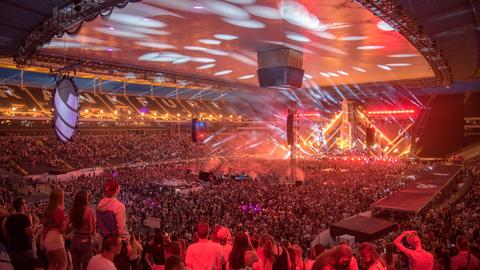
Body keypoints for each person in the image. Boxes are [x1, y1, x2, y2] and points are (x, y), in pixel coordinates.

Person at [96, 180, 130, 270]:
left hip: (104, 242)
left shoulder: (99, 205)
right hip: (116, 243)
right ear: (116, 190)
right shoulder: (119, 206)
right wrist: (127, 244)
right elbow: (121, 229)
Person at [5, 197, 37, 270]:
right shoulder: (24, 218)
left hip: (13, 250)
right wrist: (35, 223)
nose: (26, 204)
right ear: (22, 206)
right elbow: (30, 233)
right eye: (25, 203)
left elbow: (6, 233)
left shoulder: (9, 218)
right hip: (24, 250)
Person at [41, 187, 68, 270]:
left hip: (46, 238)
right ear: (60, 198)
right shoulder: (59, 210)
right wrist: (66, 221)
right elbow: (62, 230)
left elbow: (44, 226)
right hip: (55, 238)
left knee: (52, 264)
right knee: (63, 263)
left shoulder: (47, 210)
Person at [69, 191, 96, 270]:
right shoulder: (89, 211)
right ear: (85, 200)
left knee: (75, 267)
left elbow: (66, 226)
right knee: (86, 267)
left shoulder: (72, 210)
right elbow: (91, 228)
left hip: (74, 239)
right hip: (85, 240)